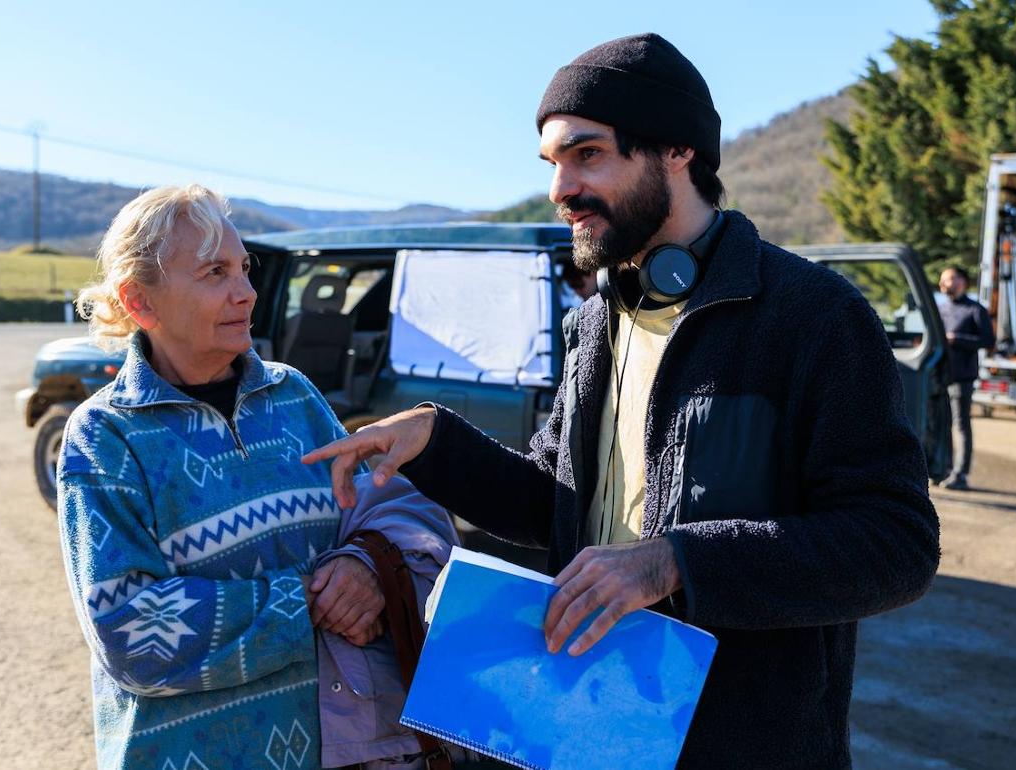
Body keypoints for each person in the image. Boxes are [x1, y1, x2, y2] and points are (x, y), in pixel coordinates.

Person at [303, 34, 939, 769]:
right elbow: (554, 504)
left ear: (677, 151)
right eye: (552, 164)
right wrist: (434, 441)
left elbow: (897, 544)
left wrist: (674, 563)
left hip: (739, 744)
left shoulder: (813, 319)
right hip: (585, 731)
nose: (559, 188)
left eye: (587, 154)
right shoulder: (594, 324)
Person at [58, 184, 460, 770]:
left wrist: (365, 568)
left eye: (244, 268)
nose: (245, 293)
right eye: (215, 272)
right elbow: (131, 633)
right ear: (140, 301)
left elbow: (394, 508)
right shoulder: (104, 436)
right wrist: (309, 605)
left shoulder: (291, 393)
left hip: (344, 752)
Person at [937, 265, 995, 490]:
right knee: (943, 425)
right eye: (942, 280)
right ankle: (945, 469)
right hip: (941, 377)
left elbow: (988, 342)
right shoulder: (940, 309)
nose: (943, 284)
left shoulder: (975, 310)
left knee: (961, 425)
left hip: (963, 377)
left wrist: (957, 339)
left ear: (961, 282)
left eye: (948, 279)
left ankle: (961, 474)